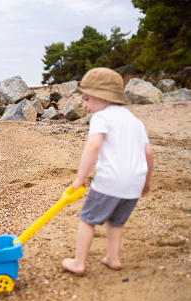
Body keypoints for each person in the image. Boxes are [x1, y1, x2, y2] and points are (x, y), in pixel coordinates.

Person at [62, 67, 154, 275]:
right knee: (116, 221)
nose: (84, 105)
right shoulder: (134, 121)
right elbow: (148, 152)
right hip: (134, 184)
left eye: (86, 99)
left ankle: (78, 263)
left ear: (100, 96)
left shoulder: (101, 117)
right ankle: (113, 257)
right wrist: (147, 181)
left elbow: (93, 146)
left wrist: (81, 177)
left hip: (110, 181)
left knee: (87, 218)